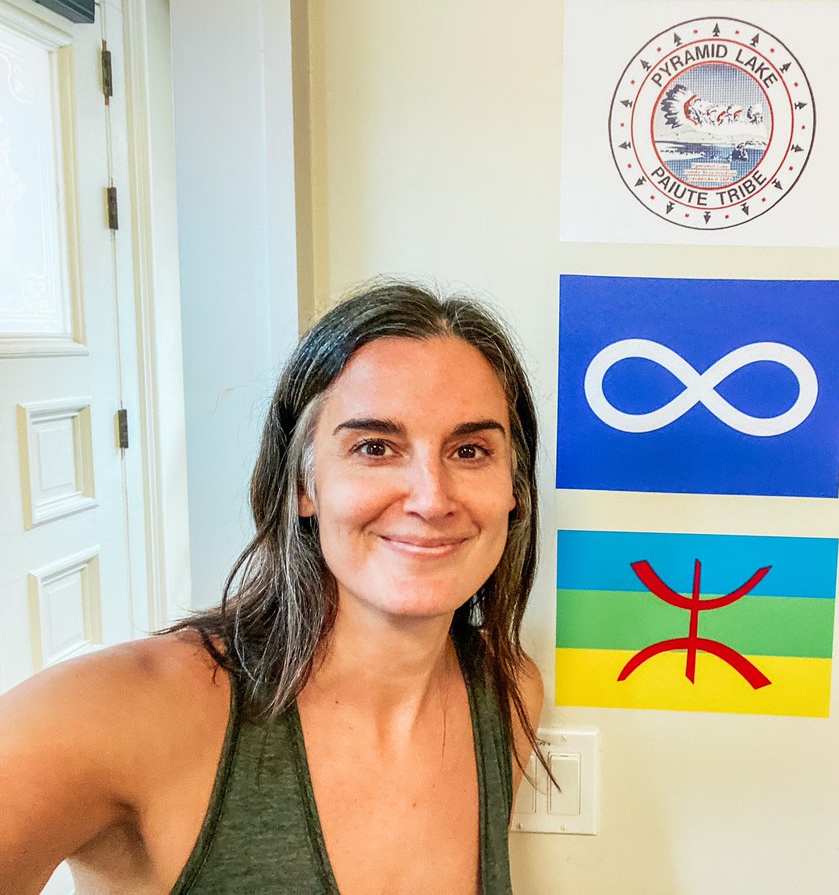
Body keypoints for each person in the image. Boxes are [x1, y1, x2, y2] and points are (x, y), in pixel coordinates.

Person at [0, 280, 545, 893]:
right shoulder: (110, 714)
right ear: (304, 486)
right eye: (374, 447)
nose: (431, 498)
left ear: (514, 489)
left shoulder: (509, 692)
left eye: (470, 450)